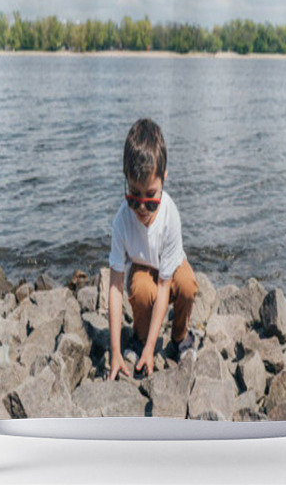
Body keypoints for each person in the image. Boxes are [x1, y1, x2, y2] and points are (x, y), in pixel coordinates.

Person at [108, 118, 198, 380]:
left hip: (170, 266)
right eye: (133, 197)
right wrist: (115, 351)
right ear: (125, 179)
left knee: (188, 285)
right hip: (143, 264)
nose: (142, 209)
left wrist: (152, 350)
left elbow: (165, 284)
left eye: (151, 198)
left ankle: (180, 337)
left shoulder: (170, 216)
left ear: (164, 179)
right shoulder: (122, 221)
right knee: (141, 290)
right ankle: (139, 335)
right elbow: (115, 287)